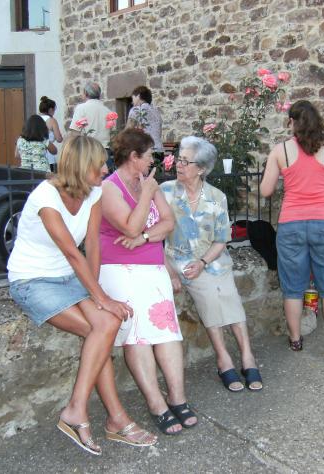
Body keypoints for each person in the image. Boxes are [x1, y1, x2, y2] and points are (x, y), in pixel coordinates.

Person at [8, 135, 156, 455]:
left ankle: (95, 415)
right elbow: (72, 253)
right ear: (80, 165)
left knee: (106, 325)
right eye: (99, 164)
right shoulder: (46, 196)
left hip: (68, 278)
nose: (105, 170)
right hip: (32, 281)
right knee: (98, 331)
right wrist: (101, 299)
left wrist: (97, 292)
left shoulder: (94, 193)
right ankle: (101, 416)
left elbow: (91, 246)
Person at [98, 128, 197, 435]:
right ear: (133, 156)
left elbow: (168, 222)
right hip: (120, 269)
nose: (153, 159)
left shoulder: (148, 183)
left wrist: (143, 238)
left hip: (152, 267)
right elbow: (129, 226)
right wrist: (145, 197)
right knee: (138, 336)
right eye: (149, 154)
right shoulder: (109, 188)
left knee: (167, 332)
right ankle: (157, 404)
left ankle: (177, 398)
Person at [161, 136, 263, 392]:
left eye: (185, 161)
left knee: (228, 293)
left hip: (212, 259)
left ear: (202, 168)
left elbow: (221, 240)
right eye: (179, 159)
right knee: (209, 293)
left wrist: (204, 261)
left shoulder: (217, 197)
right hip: (179, 260)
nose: (179, 164)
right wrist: (170, 269)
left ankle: (247, 356)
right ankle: (223, 358)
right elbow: (154, 236)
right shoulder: (165, 192)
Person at [261, 100, 324, 356]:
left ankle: (295, 339)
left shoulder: (280, 150)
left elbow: (266, 190)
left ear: (291, 122)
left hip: (291, 223)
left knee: (293, 286)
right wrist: (323, 186)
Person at [69, 82, 113, 149]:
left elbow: (75, 132)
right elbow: (112, 134)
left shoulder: (81, 108)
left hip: (88, 149)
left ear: (85, 93)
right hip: (104, 150)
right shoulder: (108, 111)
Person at [126, 86, 164, 159]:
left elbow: (128, 131)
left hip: (145, 151)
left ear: (138, 96)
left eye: (133, 98)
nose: (132, 101)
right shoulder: (156, 111)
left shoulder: (136, 109)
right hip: (159, 151)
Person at [39, 96, 64, 173]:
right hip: (49, 155)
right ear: (50, 110)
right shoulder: (52, 120)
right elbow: (59, 139)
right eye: (54, 110)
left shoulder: (35, 119)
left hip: (37, 155)